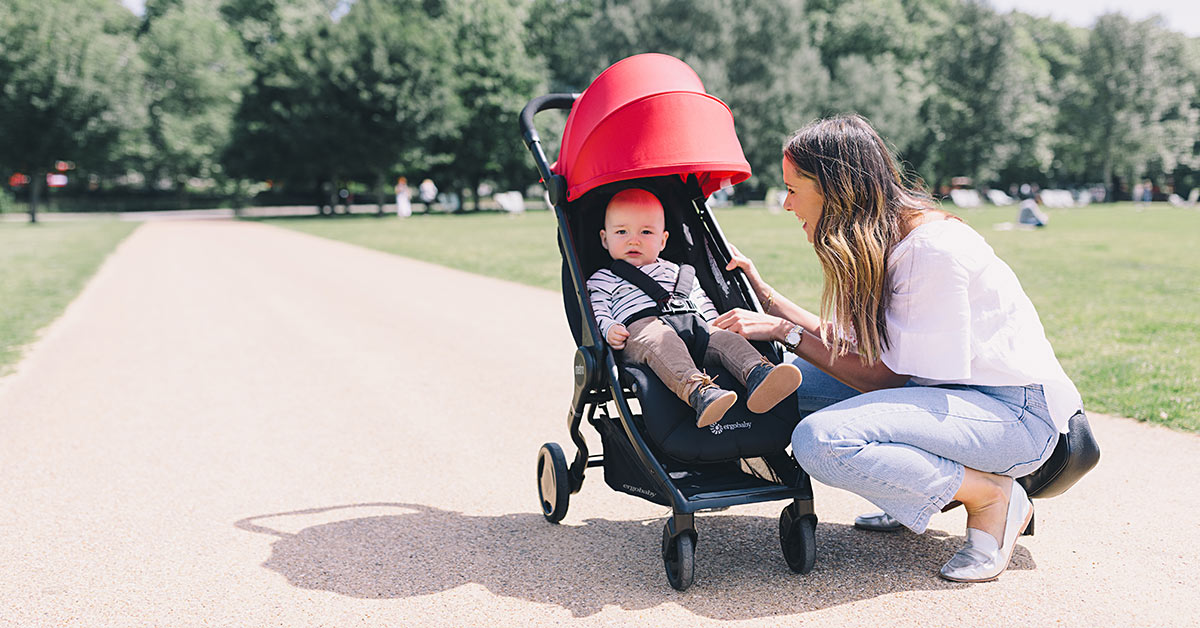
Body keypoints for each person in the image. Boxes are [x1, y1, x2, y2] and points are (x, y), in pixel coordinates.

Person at [713, 114, 1082, 583]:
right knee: (783, 384)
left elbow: (884, 377)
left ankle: (994, 498)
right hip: (955, 400)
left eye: (793, 188)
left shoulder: (930, 249)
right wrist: (769, 300)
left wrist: (784, 331)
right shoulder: (888, 238)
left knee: (821, 441)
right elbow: (855, 346)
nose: (786, 204)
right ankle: (911, 494)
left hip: (1013, 416)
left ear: (835, 188)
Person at [587, 188, 802, 428]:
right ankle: (700, 392)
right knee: (662, 342)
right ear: (605, 239)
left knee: (726, 340)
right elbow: (597, 309)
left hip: (692, 325)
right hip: (641, 331)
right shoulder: (603, 278)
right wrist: (609, 328)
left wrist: (713, 325)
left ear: (663, 240)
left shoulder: (678, 272)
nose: (633, 239)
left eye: (646, 232)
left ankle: (758, 373)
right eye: (621, 232)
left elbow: (700, 299)